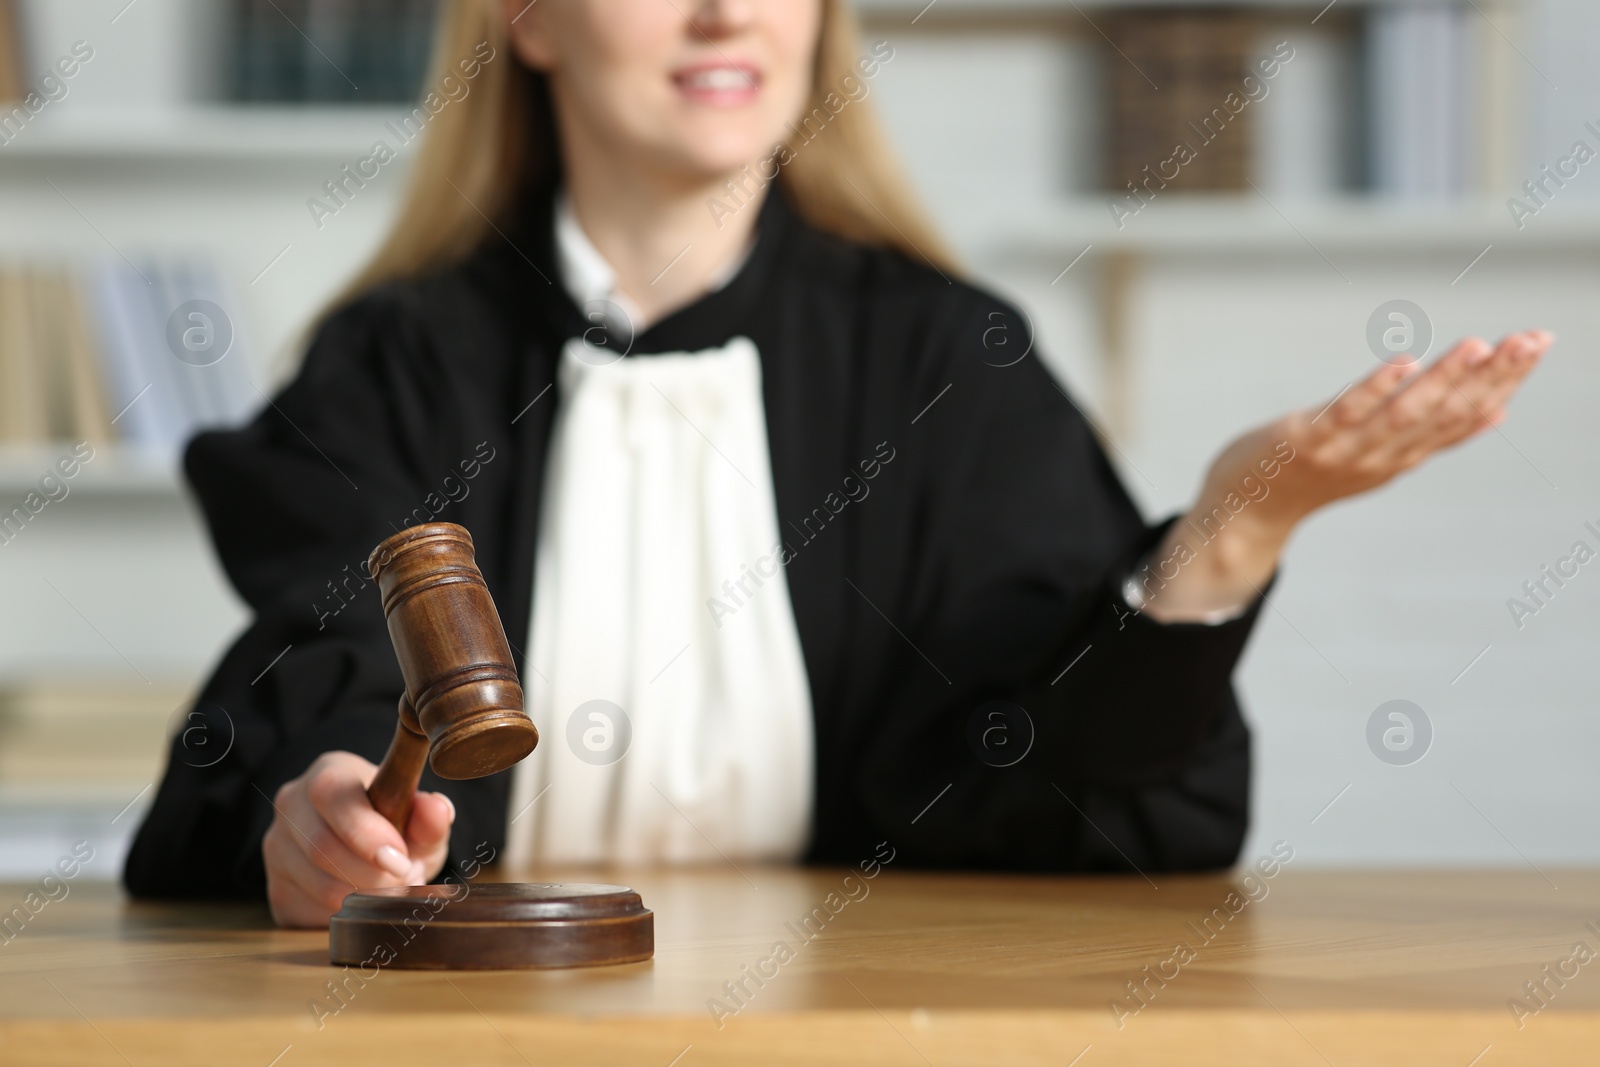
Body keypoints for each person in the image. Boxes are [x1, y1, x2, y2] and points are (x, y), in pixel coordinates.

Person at [124, 0, 1549, 928]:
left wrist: (1227, 542)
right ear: (528, 23)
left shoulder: (946, 365)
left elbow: (1050, 777)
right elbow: (333, 668)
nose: (725, 13)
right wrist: (325, 822)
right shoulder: (393, 363)